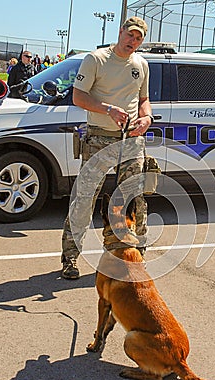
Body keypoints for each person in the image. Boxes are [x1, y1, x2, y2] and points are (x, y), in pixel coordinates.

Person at [60, 16, 153, 279]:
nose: (133, 41)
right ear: (121, 31)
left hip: (132, 140)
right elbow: (78, 96)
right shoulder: (96, 59)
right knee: (85, 199)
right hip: (100, 138)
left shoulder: (141, 64)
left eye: (138, 38)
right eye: (130, 35)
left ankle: (136, 256)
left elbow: (144, 100)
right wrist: (108, 109)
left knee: (135, 199)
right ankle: (70, 257)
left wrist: (147, 118)